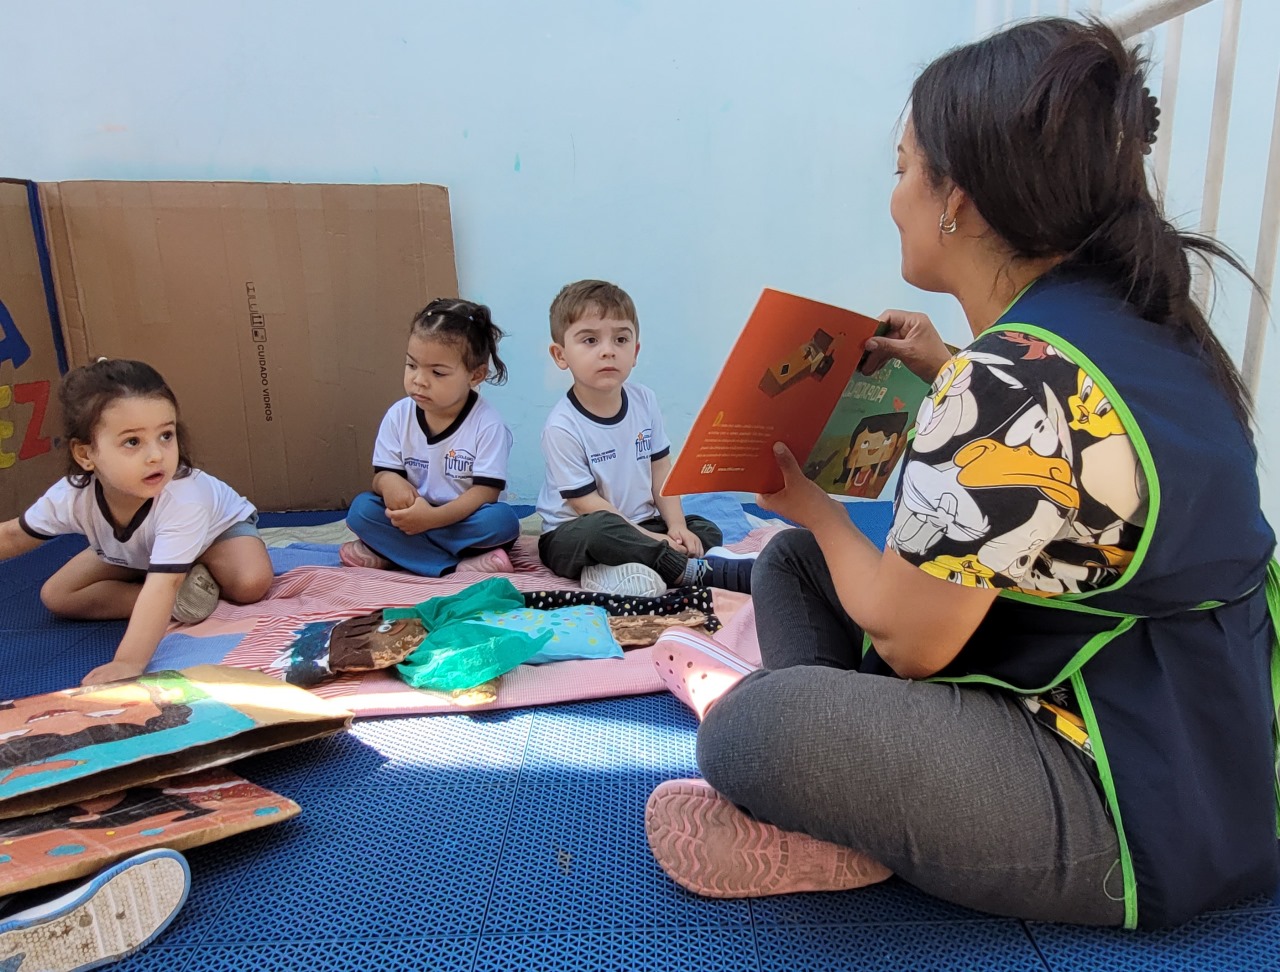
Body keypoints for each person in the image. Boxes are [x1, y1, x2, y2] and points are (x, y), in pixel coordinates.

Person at [644, 18, 1280, 930]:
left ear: (960, 201)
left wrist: (813, 506)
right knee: (791, 566)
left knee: (747, 728)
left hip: (1119, 798)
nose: (894, 197)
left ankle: (833, 803)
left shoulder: (1009, 380)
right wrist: (947, 368)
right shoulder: (1138, 324)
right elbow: (1076, 473)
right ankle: (854, 786)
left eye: (904, 168)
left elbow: (912, 647)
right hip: (1212, 757)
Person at [0, 359, 272, 686]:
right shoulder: (71, 497)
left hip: (215, 535)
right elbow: (13, 536)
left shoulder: (184, 498)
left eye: (166, 435)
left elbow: (162, 585)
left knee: (250, 583)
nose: (156, 455)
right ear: (85, 454)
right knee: (58, 595)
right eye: (133, 442)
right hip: (138, 551)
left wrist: (127, 662)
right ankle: (180, 600)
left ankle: (177, 578)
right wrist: (164, 595)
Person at [536, 280, 753, 597]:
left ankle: (628, 569)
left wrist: (676, 527)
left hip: (641, 522)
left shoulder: (644, 401)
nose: (608, 350)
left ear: (635, 351)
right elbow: (586, 505)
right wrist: (653, 540)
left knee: (705, 530)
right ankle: (681, 570)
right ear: (560, 355)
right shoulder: (562, 426)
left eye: (621, 339)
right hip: (575, 532)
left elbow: (660, 468)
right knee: (601, 532)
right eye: (590, 340)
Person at [341, 298, 522, 576]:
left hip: (461, 520)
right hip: (411, 517)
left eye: (437, 372)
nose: (419, 380)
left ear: (476, 375)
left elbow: (485, 492)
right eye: (411, 365)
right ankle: (456, 565)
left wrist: (432, 519)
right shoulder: (398, 415)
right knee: (362, 510)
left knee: (502, 522)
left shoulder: (487, 424)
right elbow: (382, 475)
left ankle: (398, 554)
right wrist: (391, 484)